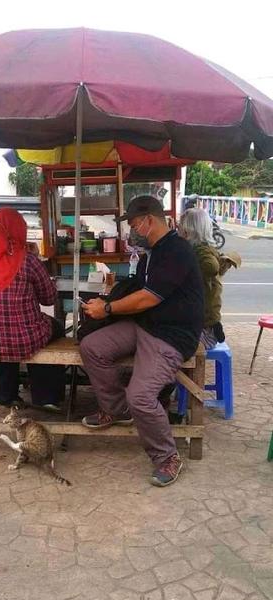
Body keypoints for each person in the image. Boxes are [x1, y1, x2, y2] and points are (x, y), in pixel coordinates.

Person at [80, 196, 204, 488]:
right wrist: (107, 300)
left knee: (141, 396)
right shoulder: (153, 252)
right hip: (145, 325)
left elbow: (149, 297)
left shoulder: (177, 251)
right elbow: (138, 289)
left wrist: (107, 309)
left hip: (171, 335)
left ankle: (167, 456)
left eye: (135, 224)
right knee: (92, 347)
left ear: (149, 220)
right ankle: (117, 410)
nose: (133, 230)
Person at [0, 207, 65, 409]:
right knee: (55, 328)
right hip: (24, 338)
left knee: (1, 333)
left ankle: (7, 396)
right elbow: (49, 299)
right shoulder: (28, 261)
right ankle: (46, 397)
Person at [179, 208, 241, 349]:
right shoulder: (202, 249)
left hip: (204, 330)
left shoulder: (201, 251)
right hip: (203, 324)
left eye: (180, 227)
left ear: (188, 230)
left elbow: (211, 267)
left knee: (168, 346)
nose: (178, 231)